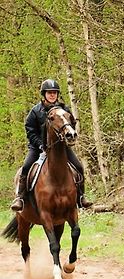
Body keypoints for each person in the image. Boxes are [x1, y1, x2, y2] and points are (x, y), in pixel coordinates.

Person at [11, 79, 93, 211]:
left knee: (78, 166)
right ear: (44, 94)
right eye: (49, 92)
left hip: (60, 148)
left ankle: (81, 197)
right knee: (26, 167)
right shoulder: (35, 111)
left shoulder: (63, 109)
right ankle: (20, 198)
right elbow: (30, 131)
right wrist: (40, 145)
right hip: (38, 148)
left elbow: (71, 123)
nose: (52, 95)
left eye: (54, 92)